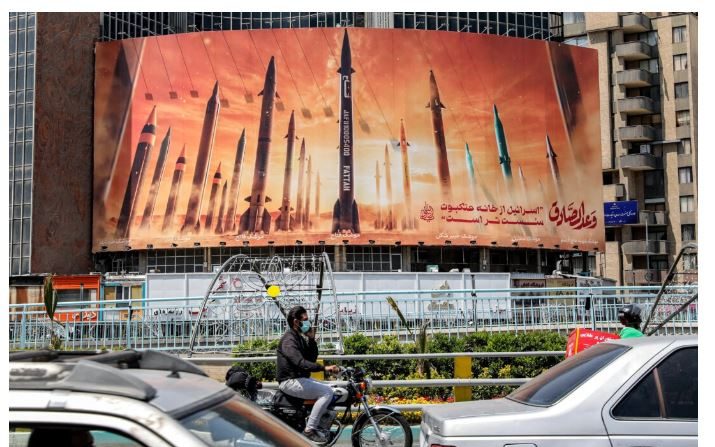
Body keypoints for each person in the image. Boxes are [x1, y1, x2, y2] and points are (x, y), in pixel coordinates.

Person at [277, 306, 340, 444]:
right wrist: (325, 368)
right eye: (305, 320)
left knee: (335, 388)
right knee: (326, 392)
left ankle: (323, 425)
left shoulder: (299, 338)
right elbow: (301, 362)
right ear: (295, 321)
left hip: (300, 378)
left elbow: (311, 359)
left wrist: (311, 339)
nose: (308, 323)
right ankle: (309, 430)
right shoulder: (289, 340)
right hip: (290, 381)